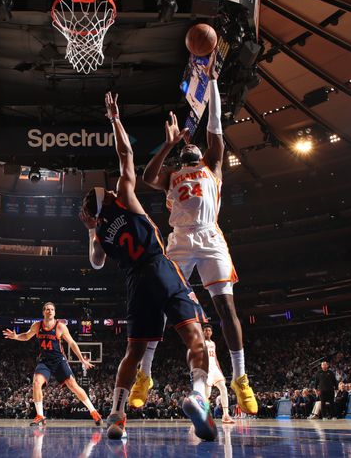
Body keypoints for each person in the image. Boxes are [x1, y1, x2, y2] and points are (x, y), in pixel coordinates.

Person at [79, 92, 216, 441]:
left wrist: (93, 230)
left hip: (135, 283)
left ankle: (116, 415)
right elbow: (126, 154)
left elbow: (95, 264)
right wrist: (115, 119)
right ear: (108, 198)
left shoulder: (99, 234)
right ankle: (199, 397)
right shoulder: (125, 196)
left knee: (134, 352)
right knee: (195, 337)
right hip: (160, 268)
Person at [133, 73, 257, 416]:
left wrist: (215, 80)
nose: (192, 147)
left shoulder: (213, 167)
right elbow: (146, 177)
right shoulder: (171, 174)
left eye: (193, 145)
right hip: (180, 241)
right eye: (185, 149)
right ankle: (146, 374)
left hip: (210, 237)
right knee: (156, 306)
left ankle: (240, 377)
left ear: (200, 151)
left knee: (226, 308)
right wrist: (170, 144)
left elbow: (215, 124)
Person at [2, 302, 101, 427]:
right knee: (36, 382)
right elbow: (27, 336)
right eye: (47, 309)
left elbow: (72, 343)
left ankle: (94, 412)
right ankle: (40, 416)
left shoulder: (60, 326)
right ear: (43, 312)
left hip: (59, 360)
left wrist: (82, 359)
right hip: (45, 361)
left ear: (55, 312)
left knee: (73, 386)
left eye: (52, 309)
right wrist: (16, 336)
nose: (50, 311)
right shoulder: (37, 325)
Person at [202, 324, 234, 424]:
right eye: (206, 330)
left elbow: (215, 358)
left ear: (211, 332)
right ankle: (204, 415)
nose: (207, 332)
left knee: (224, 388)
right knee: (206, 394)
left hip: (215, 369)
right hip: (206, 370)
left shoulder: (213, 343)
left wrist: (220, 371)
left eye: (209, 330)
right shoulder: (201, 342)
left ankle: (225, 415)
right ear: (203, 332)